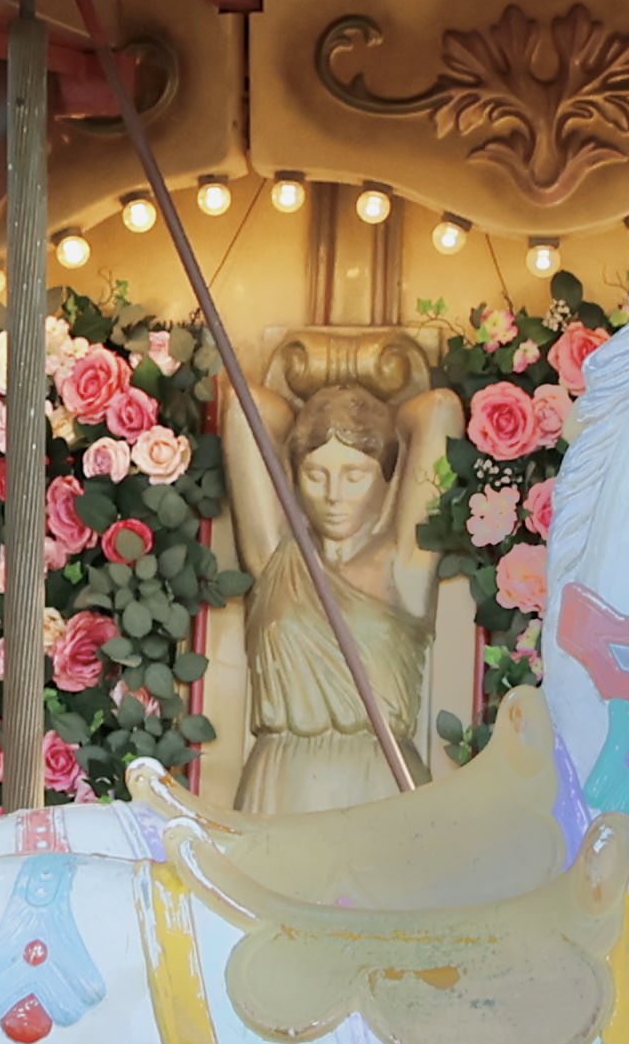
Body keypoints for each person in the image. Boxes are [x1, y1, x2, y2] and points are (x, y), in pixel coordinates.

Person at [193, 348, 479, 818]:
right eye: (315, 474)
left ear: (387, 480)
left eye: (354, 475)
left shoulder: (403, 566)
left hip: (379, 784)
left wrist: (379, 410)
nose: (333, 495)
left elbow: (439, 408)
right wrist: (312, 413)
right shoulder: (277, 558)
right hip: (279, 782)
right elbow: (250, 408)